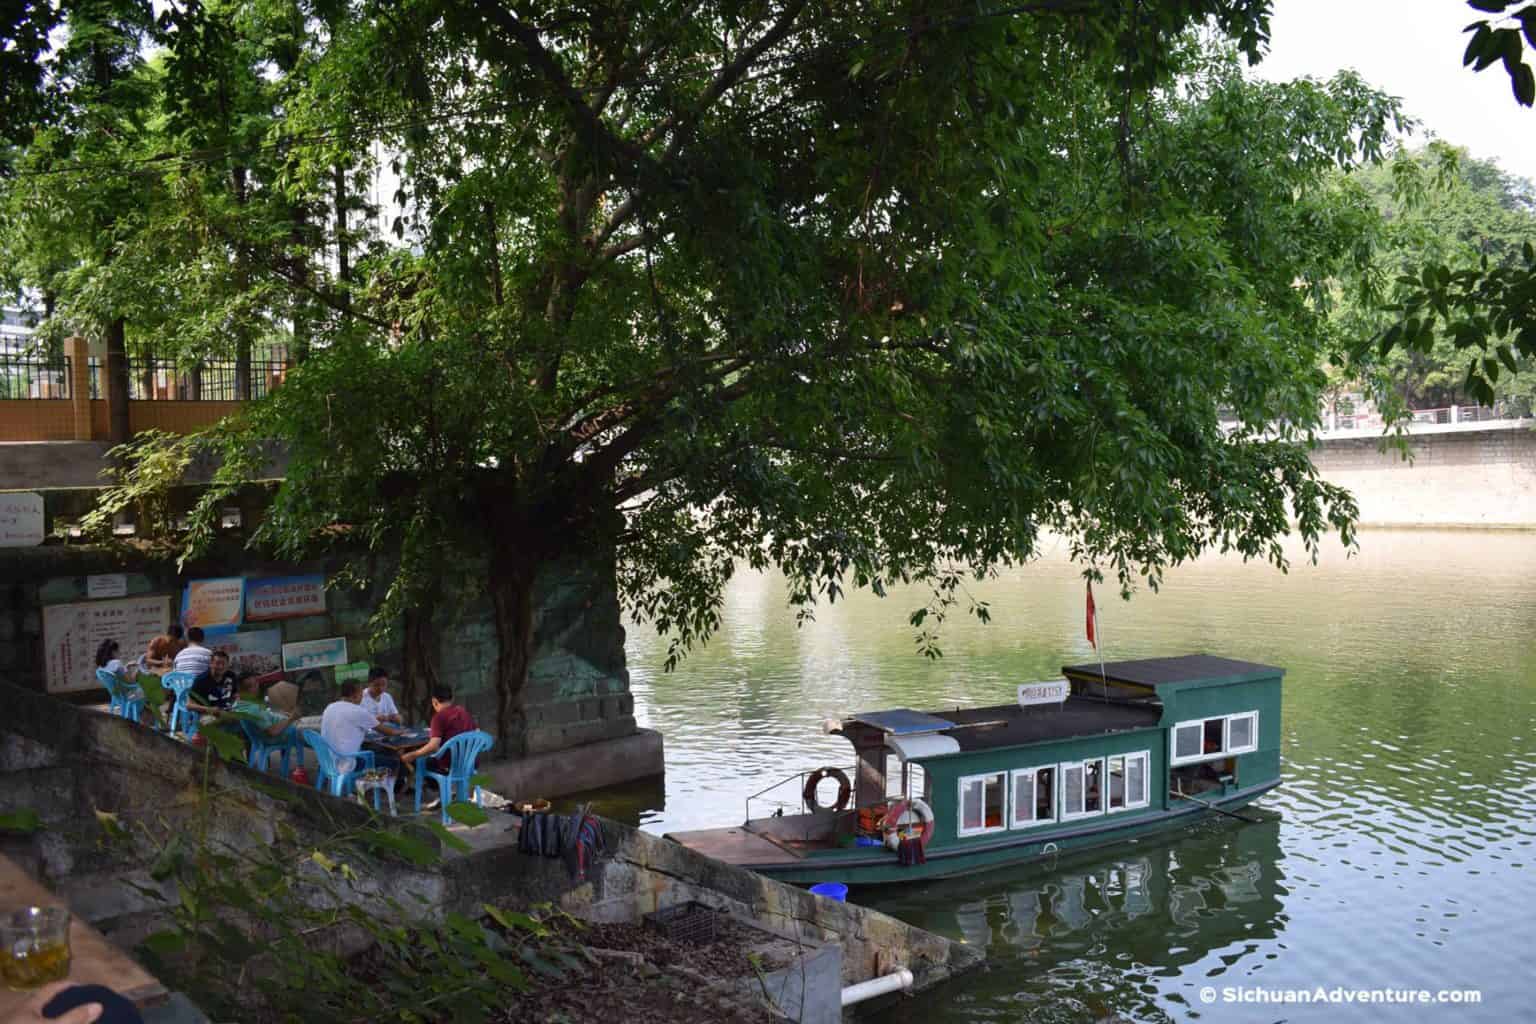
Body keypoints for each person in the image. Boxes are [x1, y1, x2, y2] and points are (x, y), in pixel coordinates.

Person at [320, 678, 402, 775]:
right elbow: (389, 732)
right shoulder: (358, 711)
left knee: (378, 753)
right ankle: (393, 789)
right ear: (355, 694)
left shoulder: (329, 707)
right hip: (347, 763)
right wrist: (402, 732)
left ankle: (375, 786)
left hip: (328, 760)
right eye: (361, 694)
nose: (362, 697)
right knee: (395, 762)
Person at [401, 685, 478, 783]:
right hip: (470, 763)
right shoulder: (463, 712)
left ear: (434, 701)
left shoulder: (439, 718)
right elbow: (477, 732)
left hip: (450, 766)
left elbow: (433, 746)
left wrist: (413, 754)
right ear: (452, 699)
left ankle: (439, 788)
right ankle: (448, 789)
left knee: (418, 761)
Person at [188, 649, 238, 713]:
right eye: (217, 663)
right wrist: (209, 709)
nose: (220, 667)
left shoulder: (231, 676)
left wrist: (234, 703)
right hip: (208, 714)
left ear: (227, 665)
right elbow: (189, 705)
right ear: (211, 664)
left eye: (223, 664)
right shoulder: (201, 680)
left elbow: (235, 694)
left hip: (228, 711)